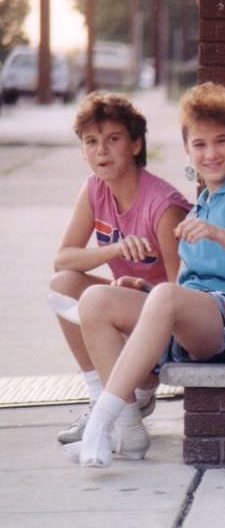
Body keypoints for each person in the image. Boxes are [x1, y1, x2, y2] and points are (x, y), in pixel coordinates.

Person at [67, 82, 225, 468]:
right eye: (200, 145)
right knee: (96, 300)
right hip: (191, 316)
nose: (211, 153)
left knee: (166, 296)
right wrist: (145, 288)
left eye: (221, 141)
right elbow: (187, 286)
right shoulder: (200, 203)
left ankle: (101, 421)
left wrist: (219, 234)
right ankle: (130, 429)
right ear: (187, 150)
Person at [50, 92, 191, 445]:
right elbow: (63, 257)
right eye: (91, 142)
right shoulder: (94, 189)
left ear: (135, 144)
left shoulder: (163, 205)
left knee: (96, 299)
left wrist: (143, 290)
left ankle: (137, 392)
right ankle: (102, 397)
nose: (102, 151)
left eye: (113, 139)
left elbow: (182, 289)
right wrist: (112, 250)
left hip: (165, 321)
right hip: (125, 307)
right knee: (63, 285)